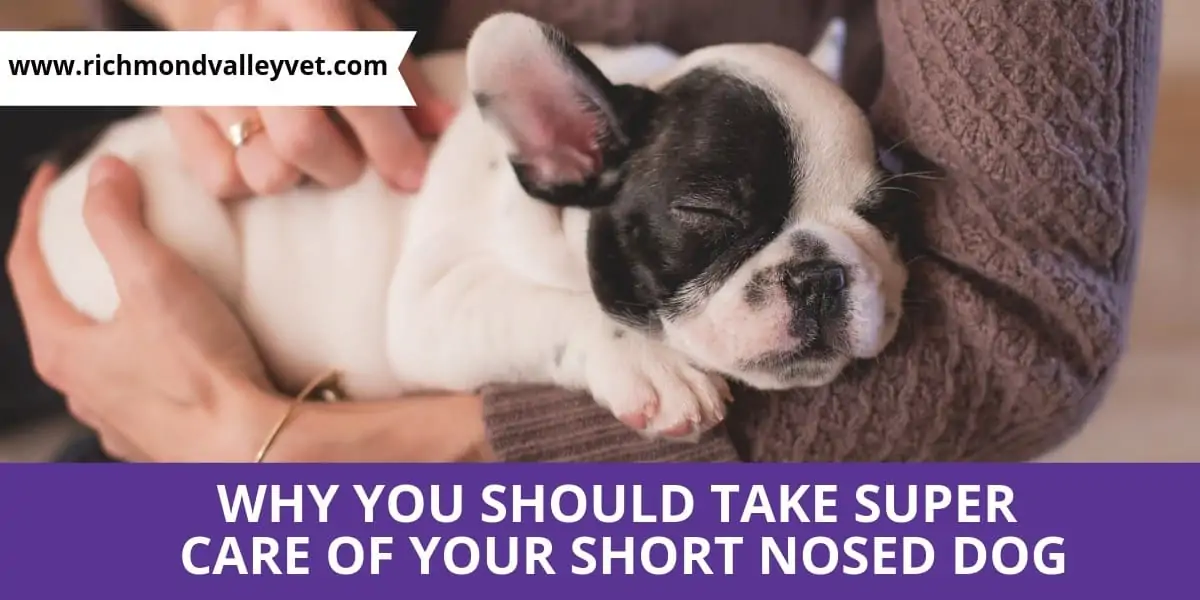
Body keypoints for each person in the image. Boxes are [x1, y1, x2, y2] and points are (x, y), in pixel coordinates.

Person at [5, 0, 1161, 462]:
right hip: (168, 151)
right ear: (564, 151)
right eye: (718, 226)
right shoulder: (572, 153)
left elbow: (1026, 334)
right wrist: (202, 16)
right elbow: (435, 315)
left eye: (872, 219)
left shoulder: (675, 150)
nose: (815, 277)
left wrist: (289, 450)